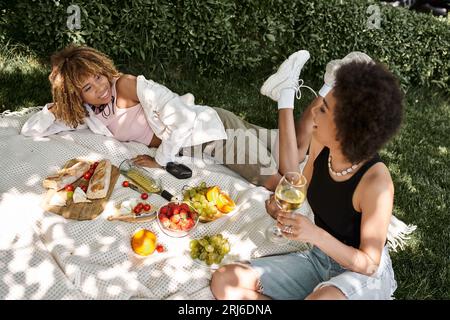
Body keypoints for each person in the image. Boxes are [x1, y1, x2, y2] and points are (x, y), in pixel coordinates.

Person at [210, 51, 404, 300]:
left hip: (361, 276)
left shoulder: (376, 183)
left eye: (323, 110)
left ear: (345, 129)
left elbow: (368, 264)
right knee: (226, 281)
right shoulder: (323, 146)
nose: (313, 113)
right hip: (319, 260)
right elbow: (301, 187)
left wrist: (314, 234)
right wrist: (280, 207)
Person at [21, 45, 294, 189]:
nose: (100, 86)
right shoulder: (88, 113)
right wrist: (58, 105)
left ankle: (286, 94)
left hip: (214, 134)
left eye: (97, 75)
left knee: (279, 183)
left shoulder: (126, 86)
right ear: (76, 96)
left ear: (103, 68)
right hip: (210, 128)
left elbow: (183, 118)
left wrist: (159, 160)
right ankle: (309, 87)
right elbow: (31, 132)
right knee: (295, 146)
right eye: (87, 88)